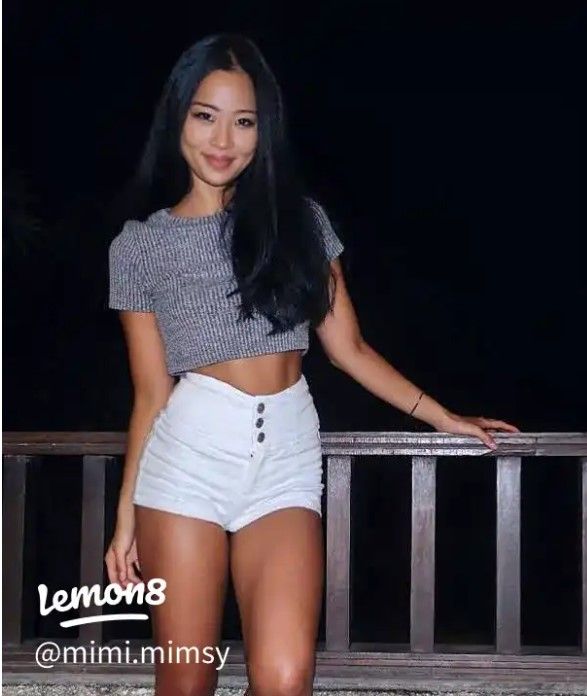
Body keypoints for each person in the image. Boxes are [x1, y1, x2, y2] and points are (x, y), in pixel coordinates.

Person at [104, 33, 520, 696]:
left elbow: (348, 349)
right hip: (185, 465)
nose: (223, 139)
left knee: (285, 676)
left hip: (284, 462)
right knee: (186, 679)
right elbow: (150, 392)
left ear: (263, 131)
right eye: (206, 116)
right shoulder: (139, 247)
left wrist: (444, 417)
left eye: (244, 122)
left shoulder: (299, 223)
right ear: (177, 117)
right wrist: (126, 515)